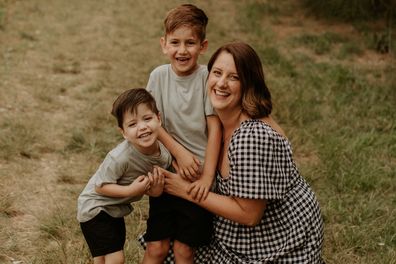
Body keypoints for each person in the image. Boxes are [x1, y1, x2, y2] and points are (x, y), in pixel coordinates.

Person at [162, 42, 325, 263]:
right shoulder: (218, 120)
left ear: (248, 84)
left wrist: (185, 190)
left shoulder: (250, 137)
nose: (221, 83)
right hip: (236, 232)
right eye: (217, 73)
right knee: (172, 248)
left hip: (276, 244)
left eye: (234, 77)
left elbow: (250, 216)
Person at [142, 3, 222, 264]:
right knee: (156, 247)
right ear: (163, 44)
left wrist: (207, 177)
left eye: (190, 43)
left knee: (185, 251)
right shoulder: (158, 76)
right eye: (175, 42)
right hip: (167, 172)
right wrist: (178, 156)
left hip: (197, 178)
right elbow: (154, 124)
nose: (182, 50)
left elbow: (214, 129)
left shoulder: (206, 77)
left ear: (203, 46)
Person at [77, 88, 172, 264]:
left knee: (102, 259)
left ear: (158, 119)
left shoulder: (164, 156)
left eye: (147, 119)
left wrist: (157, 190)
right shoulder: (120, 157)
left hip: (115, 210)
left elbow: (151, 190)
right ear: (123, 132)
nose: (142, 127)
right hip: (95, 207)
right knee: (116, 258)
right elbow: (100, 186)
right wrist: (130, 189)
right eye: (132, 124)